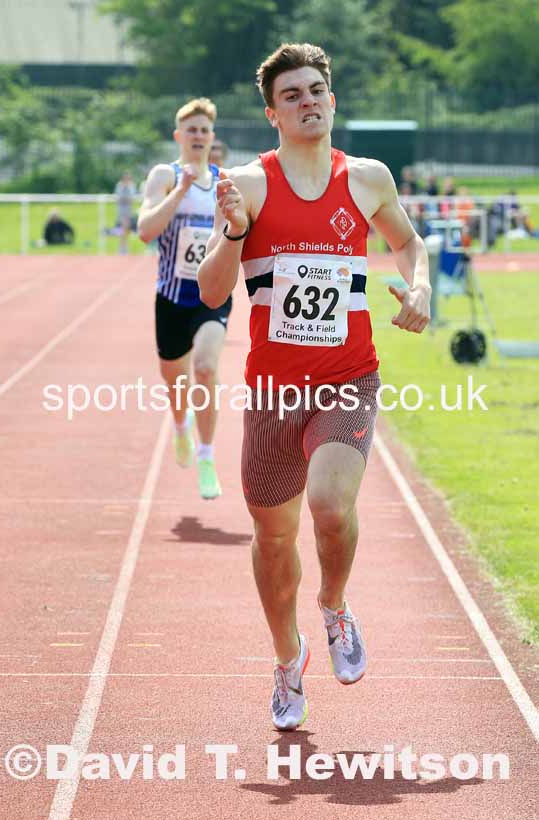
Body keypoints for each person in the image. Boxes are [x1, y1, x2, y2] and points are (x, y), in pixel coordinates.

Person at [198, 43, 430, 730]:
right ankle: (286, 658)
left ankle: (332, 605)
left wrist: (418, 290)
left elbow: (408, 244)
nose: (309, 101)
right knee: (273, 540)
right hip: (272, 389)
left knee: (330, 509)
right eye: (293, 94)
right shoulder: (249, 185)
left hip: (346, 378)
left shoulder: (366, 179)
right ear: (272, 113)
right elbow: (213, 290)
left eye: (317, 89)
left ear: (332, 98)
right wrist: (236, 232)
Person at [138, 98, 231, 499]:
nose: (198, 136)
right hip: (171, 299)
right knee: (175, 380)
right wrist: (180, 192)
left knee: (207, 368)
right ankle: (180, 426)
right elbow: (144, 229)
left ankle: (207, 457)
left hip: (211, 295)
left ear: (212, 137)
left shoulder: (225, 180)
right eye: (191, 130)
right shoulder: (165, 175)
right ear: (179, 136)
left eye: (204, 130)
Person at [115, 172, 136, 254]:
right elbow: (119, 198)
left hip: (128, 210)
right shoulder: (119, 185)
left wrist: (126, 199)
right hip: (121, 210)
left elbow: (132, 198)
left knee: (126, 229)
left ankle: (124, 246)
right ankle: (122, 247)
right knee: (123, 228)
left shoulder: (131, 186)